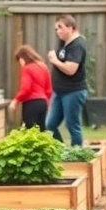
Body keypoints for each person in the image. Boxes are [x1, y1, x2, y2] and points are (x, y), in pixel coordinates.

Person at [45, 13, 88, 146]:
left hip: (73, 92)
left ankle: (77, 157)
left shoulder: (77, 45)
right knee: (50, 124)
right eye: (56, 28)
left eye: (60, 27)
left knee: (72, 126)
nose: (58, 31)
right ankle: (61, 151)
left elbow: (71, 69)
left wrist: (54, 60)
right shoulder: (64, 43)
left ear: (71, 28)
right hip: (60, 92)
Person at [8, 44, 52, 132]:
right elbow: (49, 90)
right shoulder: (43, 66)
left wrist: (15, 101)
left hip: (31, 104)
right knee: (41, 131)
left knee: (29, 131)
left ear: (22, 58)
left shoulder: (27, 69)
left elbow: (26, 89)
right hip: (43, 103)